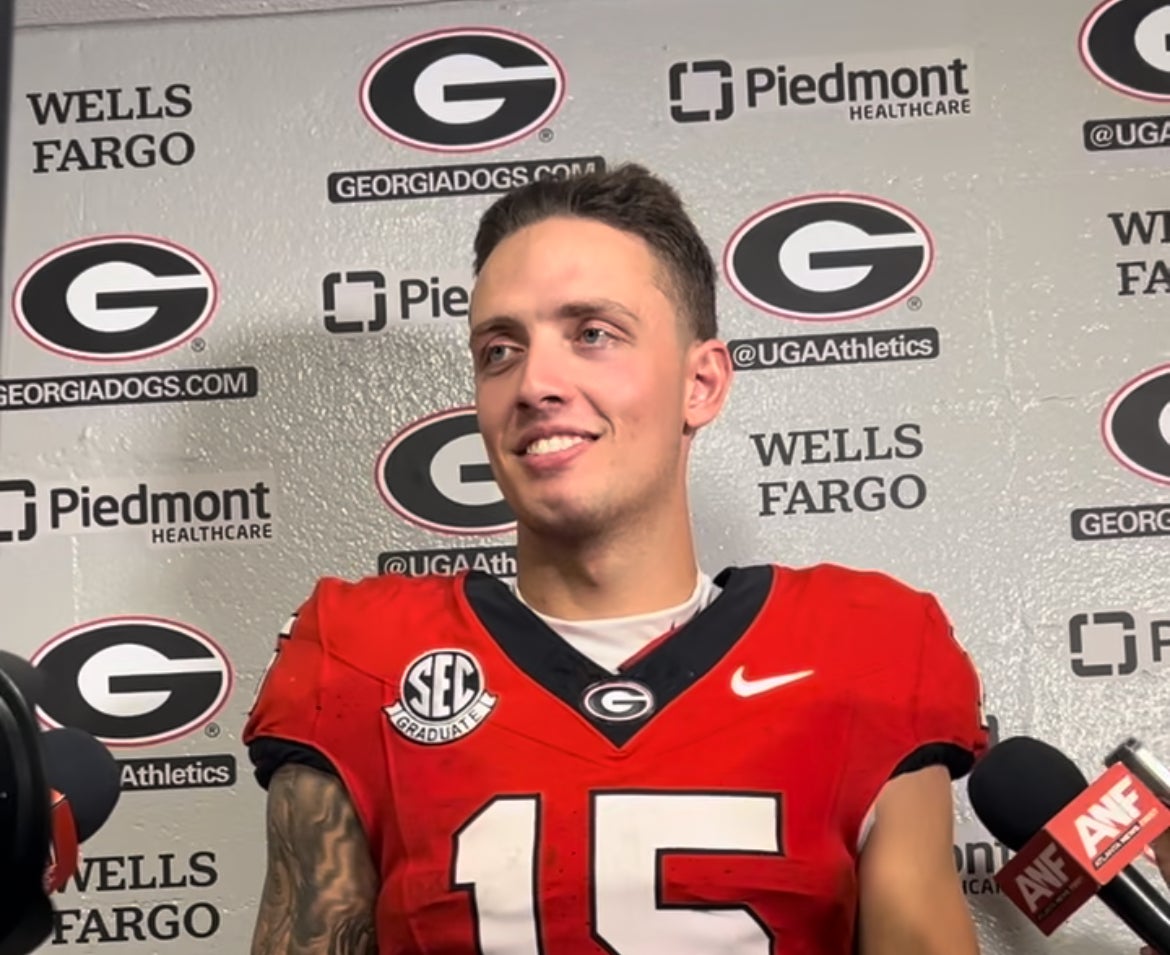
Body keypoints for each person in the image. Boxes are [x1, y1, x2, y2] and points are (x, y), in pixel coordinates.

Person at [243, 163, 989, 955]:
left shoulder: (865, 648)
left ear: (701, 383)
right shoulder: (362, 656)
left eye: (593, 334)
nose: (535, 383)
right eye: (500, 349)